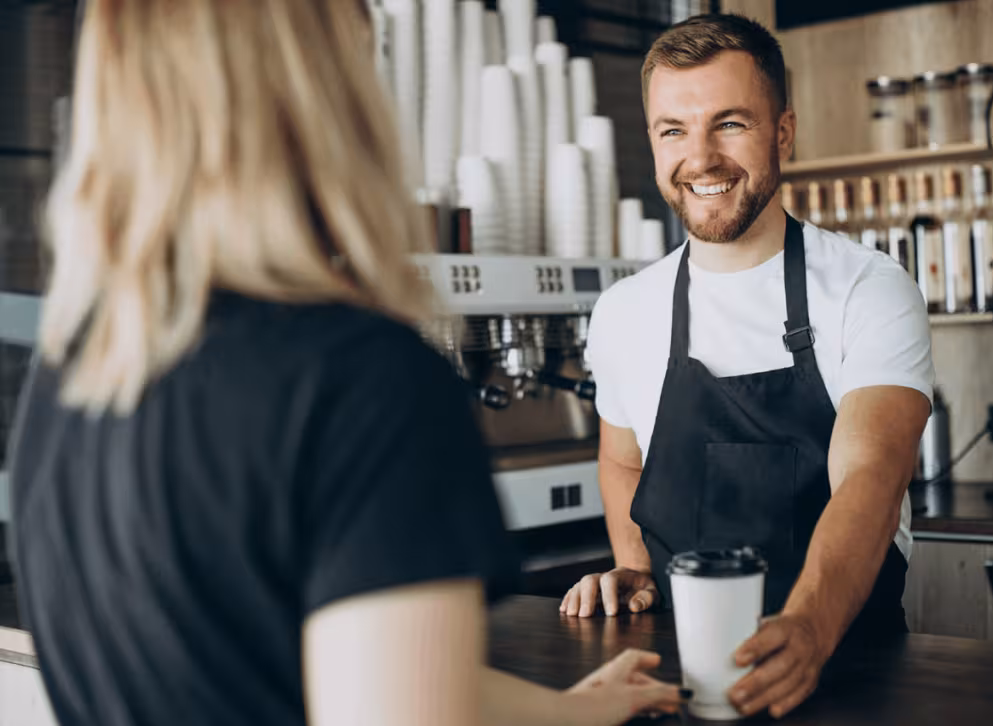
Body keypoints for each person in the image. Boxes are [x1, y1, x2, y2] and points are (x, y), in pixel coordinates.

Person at [8, 2, 683, 725]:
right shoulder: (362, 380)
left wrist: (569, 714)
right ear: (325, 94)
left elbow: (344, 672)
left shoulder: (72, 374)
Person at [560, 12, 935, 720]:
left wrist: (810, 630)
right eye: (674, 129)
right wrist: (634, 569)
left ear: (782, 132)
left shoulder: (868, 288)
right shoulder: (624, 311)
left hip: (848, 669)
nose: (699, 158)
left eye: (729, 123)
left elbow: (871, 480)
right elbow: (622, 463)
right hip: (680, 680)